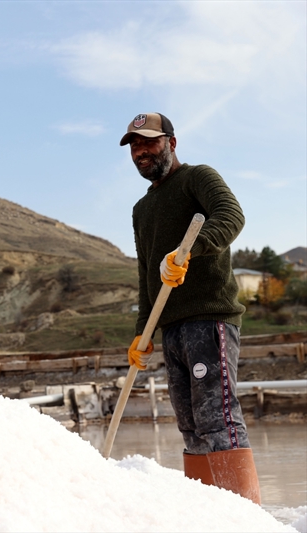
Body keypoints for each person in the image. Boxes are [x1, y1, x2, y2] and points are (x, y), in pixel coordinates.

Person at [121, 113, 261, 504]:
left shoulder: (198, 177)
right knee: (191, 427)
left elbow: (231, 216)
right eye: (134, 145)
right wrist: (142, 330)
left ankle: (245, 518)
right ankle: (207, 517)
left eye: (149, 142)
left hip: (208, 319)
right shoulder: (141, 210)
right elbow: (147, 271)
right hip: (170, 329)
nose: (141, 152)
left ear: (172, 142)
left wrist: (189, 251)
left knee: (217, 417)